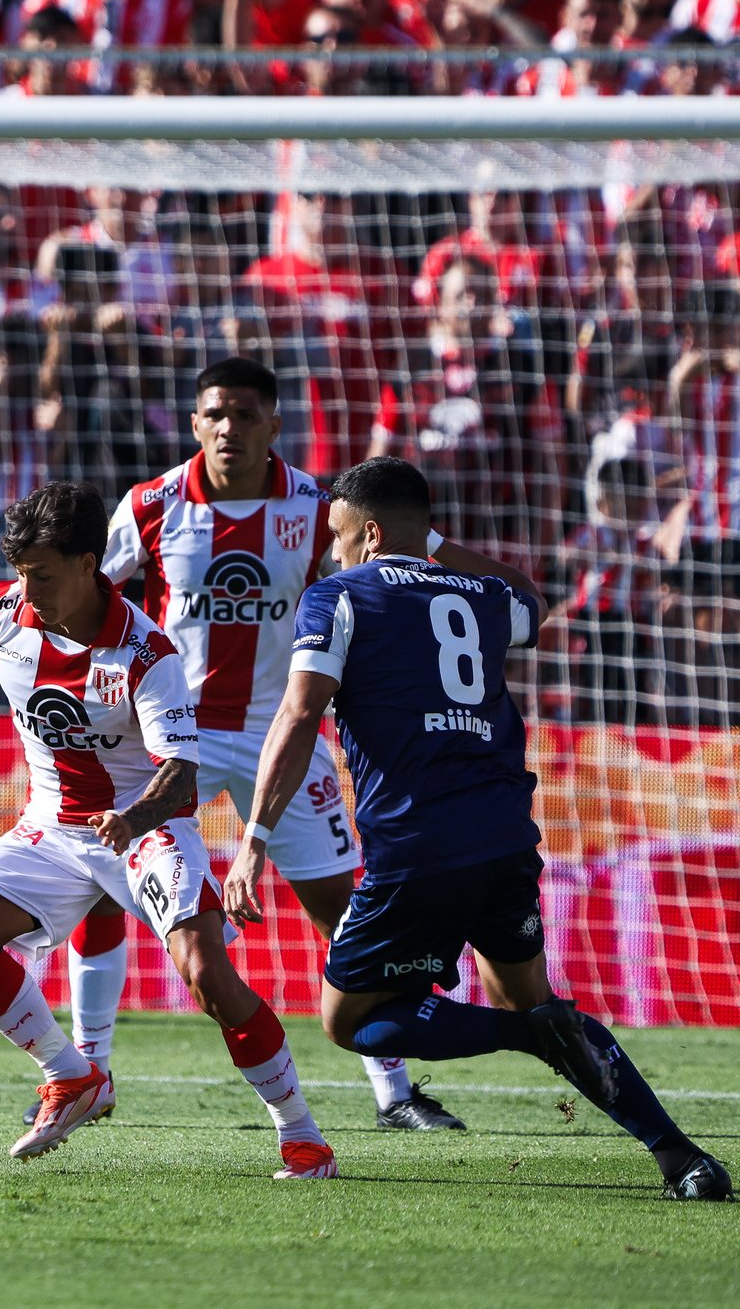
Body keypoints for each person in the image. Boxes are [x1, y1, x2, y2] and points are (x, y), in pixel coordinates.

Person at [229, 455, 733, 1201]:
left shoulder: (338, 596)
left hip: (415, 846)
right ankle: (682, 1156)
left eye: (337, 536)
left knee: (348, 1017)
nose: (330, 552)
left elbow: (300, 713)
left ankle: (525, 1035)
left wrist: (254, 840)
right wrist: (434, 546)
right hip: (504, 836)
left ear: (368, 533)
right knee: (530, 992)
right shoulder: (483, 594)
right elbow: (533, 601)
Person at [0, 481, 339, 1177]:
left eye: (41, 573)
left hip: (143, 830)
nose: (27, 587)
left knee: (207, 976)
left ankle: (303, 1134)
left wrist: (131, 818)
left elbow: (181, 775)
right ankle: (72, 1074)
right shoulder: (4, 611)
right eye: (19, 572)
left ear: (87, 564)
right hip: (52, 825)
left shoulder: (145, 653)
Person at [62, 357, 469, 1131]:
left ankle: (394, 1089)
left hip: (278, 730)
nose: (229, 428)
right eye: (215, 413)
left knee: (342, 907)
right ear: (194, 423)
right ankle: (90, 1070)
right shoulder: (150, 505)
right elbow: (90, 594)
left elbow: (400, 560)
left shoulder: (317, 506)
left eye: (245, 414)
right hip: (172, 732)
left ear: (273, 425)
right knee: (97, 877)